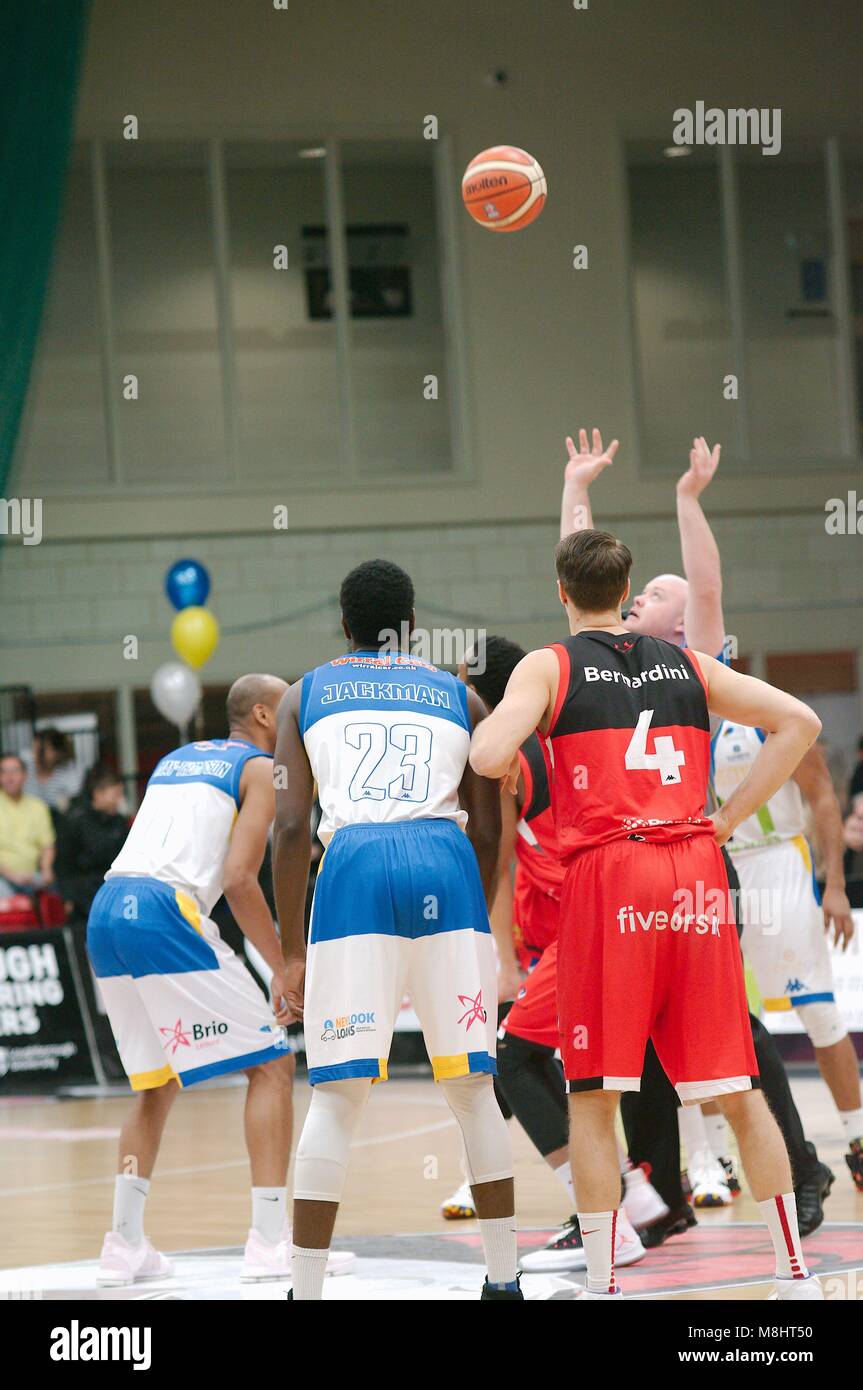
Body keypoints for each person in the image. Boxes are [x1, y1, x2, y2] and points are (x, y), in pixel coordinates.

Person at [470, 528, 824, 1301]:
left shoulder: (549, 665)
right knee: (736, 1089)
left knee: (592, 1096)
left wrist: (519, 732)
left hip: (612, 873)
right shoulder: (690, 665)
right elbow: (800, 722)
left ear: (561, 591)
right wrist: (724, 819)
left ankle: (603, 1286)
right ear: (624, 592)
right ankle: (793, 1275)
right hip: (696, 868)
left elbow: (487, 754)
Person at [559, 428, 834, 1234]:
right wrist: (576, 490)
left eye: (652, 600)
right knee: (638, 1039)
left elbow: (703, 593)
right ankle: (665, 1188)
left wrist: (687, 500)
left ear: (678, 625)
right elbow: (581, 575)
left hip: (697, 858)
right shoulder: (596, 658)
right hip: (638, 864)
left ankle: (799, 1167)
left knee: (729, 1038)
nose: (638, 603)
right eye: (638, 596)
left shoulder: (691, 662)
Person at [271, 559, 518, 1302]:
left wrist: (289, 956)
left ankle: (305, 1292)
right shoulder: (459, 693)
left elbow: (288, 828)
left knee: (338, 1095)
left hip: (354, 867)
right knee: (473, 1087)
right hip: (446, 863)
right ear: (410, 628)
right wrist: (470, 912)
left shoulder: (301, 692)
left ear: (344, 626)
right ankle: (504, 1283)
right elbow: (489, 824)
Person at [87, 675, 354, 1286]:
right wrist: (286, 964)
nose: (294, 718)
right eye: (285, 705)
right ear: (263, 713)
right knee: (273, 1065)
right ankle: (268, 1240)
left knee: (156, 1085)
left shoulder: (175, 760)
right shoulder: (261, 768)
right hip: (166, 913)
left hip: (108, 910)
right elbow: (239, 879)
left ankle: (123, 1244)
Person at [713, 723, 863, 1190]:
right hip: (719, 869)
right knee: (712, 1020)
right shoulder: (682, 717)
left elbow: (821, 793)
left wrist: (834, 884)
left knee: (817, 1010)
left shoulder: (768, 717)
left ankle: (857, 1140)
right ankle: (716, 1159)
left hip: (782, 864)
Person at [55, 763, 129, 922]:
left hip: (113, 893)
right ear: (98, 794)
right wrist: (68, 897)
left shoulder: (120, 823)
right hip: (83, 896)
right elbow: (63, 863)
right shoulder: (74, 821)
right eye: (116, 794)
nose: (120, 800)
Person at [0, 752, 56, 898]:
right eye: (3, 772)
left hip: (33, 875)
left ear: (25, 775)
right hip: (3, 877)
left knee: (57, 895)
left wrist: (46, 870)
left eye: (14, 771)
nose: (9, 777)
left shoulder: (38, 807)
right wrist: (13, 876)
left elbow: (47, 846)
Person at [21, 728, 84, 813]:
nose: (35, 755)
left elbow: (69, 808)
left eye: (41, 751)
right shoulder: (25, 763)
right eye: (33, 749)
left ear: (57, 752)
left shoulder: (70, 772)